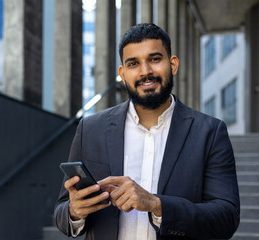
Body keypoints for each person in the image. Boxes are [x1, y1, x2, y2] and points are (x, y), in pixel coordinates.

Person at [54, 23, 240, 240]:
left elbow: (227, 218)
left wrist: (156, 204)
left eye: (154, 59)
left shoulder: (210, 132)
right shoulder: (91, 129)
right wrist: (75, 211)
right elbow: (61, 213)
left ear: (173, 64)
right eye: (133, 64)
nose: (145, 72)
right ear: (122, 74)